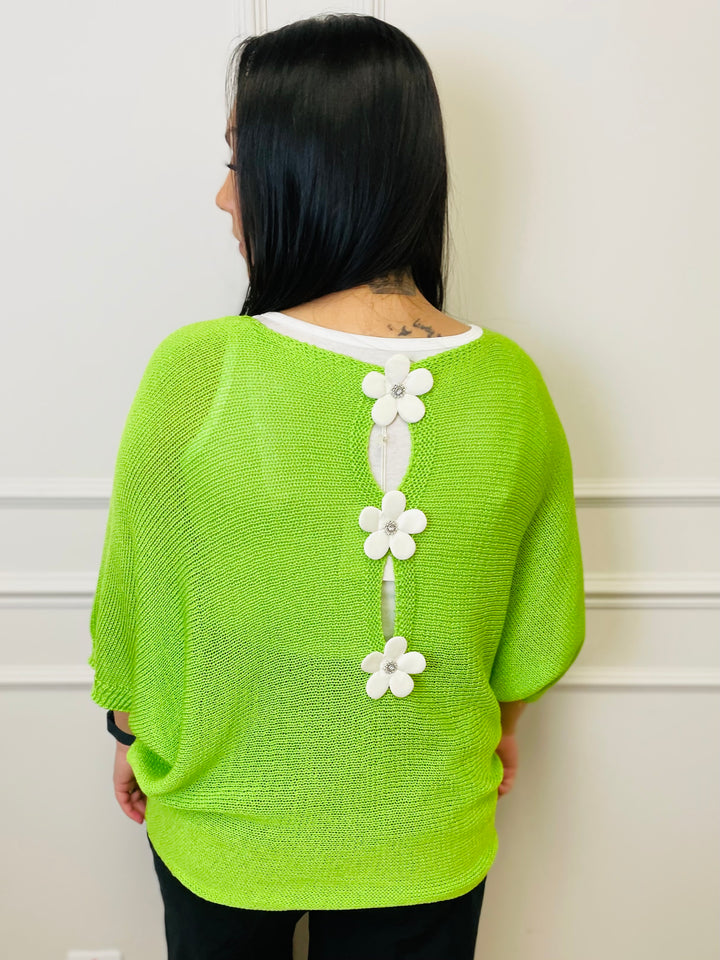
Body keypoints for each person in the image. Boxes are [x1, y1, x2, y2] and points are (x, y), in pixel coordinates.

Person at [89, 13, 585, 960]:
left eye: (239, 162)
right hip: (429, 828)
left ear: (305, 172)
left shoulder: (197, 371)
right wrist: (507, 723)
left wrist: (127, 728)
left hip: (226, 824)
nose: (224, 197)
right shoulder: (512, 385)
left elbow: (136, 605)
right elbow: (539, 624)